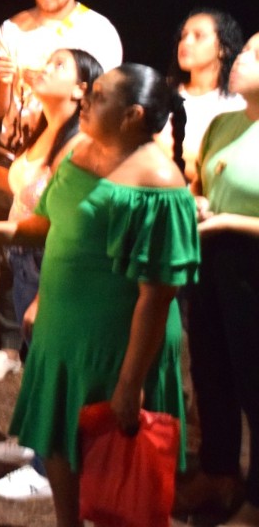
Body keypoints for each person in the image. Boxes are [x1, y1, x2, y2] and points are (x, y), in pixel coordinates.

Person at [0, 64, 200, 527]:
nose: (86, 96)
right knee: (57, 440)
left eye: (101, 95)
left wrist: (130, 384)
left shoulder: (159, 184)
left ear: (132, 115)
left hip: (120, 346)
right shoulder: (79, 152)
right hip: (63, 333)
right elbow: (52, 224)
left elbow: (158, 294)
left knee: (122, 470)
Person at [0, 48, 102, 502]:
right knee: (38, 361)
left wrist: (43, 288)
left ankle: (47, 471)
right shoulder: (47, 128)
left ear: (82, 90)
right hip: (25, 258)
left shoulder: (80, 144)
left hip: (49, 261)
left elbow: (64, 221)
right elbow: (28, 189)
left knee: (53, 365)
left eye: (58, 65)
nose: (44, 67)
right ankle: (38, 445)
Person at [0, 0, 123, 383]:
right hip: (17, 151)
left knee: (57, 251)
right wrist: (1, 84)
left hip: (68, 153)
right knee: (13, 250)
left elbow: (109, 101)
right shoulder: (14, 29)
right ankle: (10, 344)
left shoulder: (98, 33)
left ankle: (57, 347)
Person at [179, 31, 259, 525]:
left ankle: (255, 502)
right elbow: (202, 184)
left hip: (253, 268)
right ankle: (218, 473)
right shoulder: (225, 124)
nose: (240, 60)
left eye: (254, 54)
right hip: (211, 263)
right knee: (212, 372)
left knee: (256, 384)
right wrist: (200, 201)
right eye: (245, 49)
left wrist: (228, 221)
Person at [157, 8, 245, 184]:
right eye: (183, 36)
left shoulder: (237, 105)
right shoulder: (160, 91)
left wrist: (156, 143)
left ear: (223, 48)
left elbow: (215, 170)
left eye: (198, 36)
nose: (186, 43)